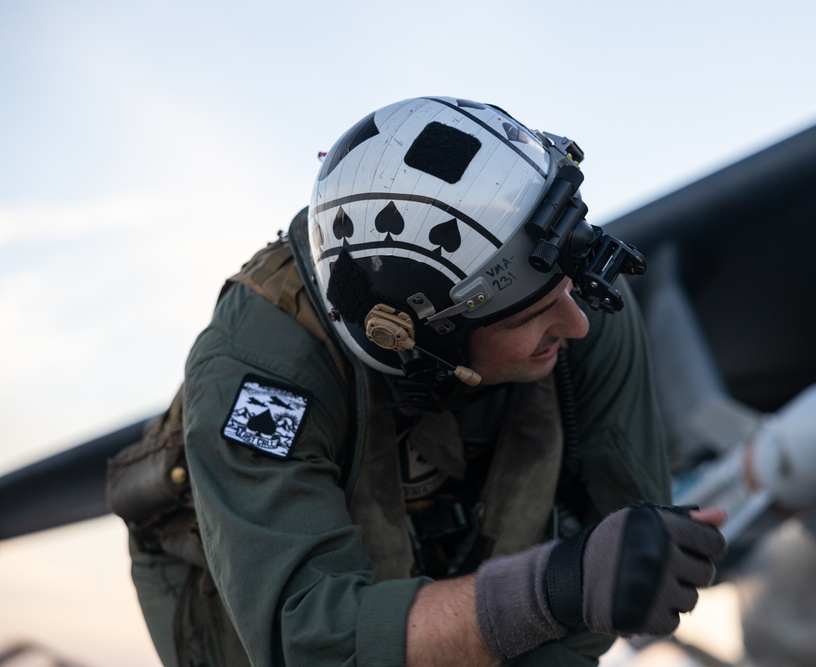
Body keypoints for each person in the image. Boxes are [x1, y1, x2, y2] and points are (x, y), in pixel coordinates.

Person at [124, 96, 726, 666]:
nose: (575, 325)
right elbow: (307, 640)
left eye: (568, 292)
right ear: (411, 337)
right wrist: (551, 589)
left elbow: (619, 560)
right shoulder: (265, 374)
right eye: (527, 317)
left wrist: (601, 579)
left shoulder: (580, 299)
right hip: (249, 615)